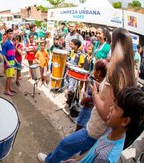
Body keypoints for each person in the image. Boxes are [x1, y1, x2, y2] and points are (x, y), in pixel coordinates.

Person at [38, 27, 136, 163]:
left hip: (96, 130)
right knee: (84, 155)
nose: (110, 44)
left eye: (112, 41)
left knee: (65, 144)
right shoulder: (130, 73)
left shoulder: (116, 73)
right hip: (104, 132)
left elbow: (105, 112)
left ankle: (50, 160)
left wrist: (94, 92)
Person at [63, 87, 144, 163]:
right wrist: (76, 160)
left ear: (125, 121)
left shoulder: (104, 157)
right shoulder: (111, 131)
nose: (110, 108)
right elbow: (94, 150)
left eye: (115, 108)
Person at [75, 59, 107, 131]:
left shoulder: (96, 86)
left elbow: (84, 101)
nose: (93, 71)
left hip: (86, 112)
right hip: (93, 114)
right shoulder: (104, 85)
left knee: (78, 131)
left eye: (94, 69)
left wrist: (82, 100)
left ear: (98, 73)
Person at [2, 29, 17, 96]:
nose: (11, 35)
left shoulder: (12, 42)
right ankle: (6, 90)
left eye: (12, 33)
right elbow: (3, 54)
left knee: (11, 76)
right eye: (9, 33)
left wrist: (15, 59)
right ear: (7, 34)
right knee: (9, 77)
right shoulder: (6, 43)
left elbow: (12, 52)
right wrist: (7, 62)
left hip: (12, 61)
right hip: (8, 62)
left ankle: (9, 88)